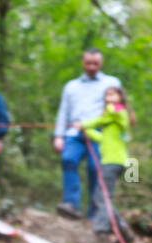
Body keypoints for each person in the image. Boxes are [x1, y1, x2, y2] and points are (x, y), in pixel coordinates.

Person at [52, 48, 121, 220]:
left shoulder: (111, 83)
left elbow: (120, 108)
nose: (92, 67)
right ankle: (71, 205)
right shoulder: (71, 86)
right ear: (83, 62)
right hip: (73, 132)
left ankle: (95, 210)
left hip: (99, 133)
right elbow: (63, 111)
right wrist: (58, 136)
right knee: (68, 160)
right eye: (88, 63)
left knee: (95, 168)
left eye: (95, 63)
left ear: (101, 63)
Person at [75, 85, 135, 243]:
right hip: (113, 162)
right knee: (101, 197)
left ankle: (101, 231)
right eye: (107, 95)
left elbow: (102, 119)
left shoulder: (117, 113)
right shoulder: (111, 125)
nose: (109, 98)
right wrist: (85, 131)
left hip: (114, 162)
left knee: (102, 197)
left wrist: (84, 124)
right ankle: (123, 229)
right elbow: (101, 138)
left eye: (112, 94)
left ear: (121, 97)